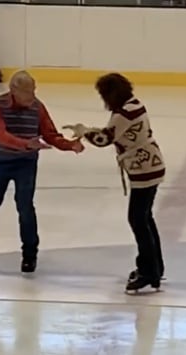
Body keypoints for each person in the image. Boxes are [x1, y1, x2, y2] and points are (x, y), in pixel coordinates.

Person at [0, 70, 84, 273]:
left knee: (26, 208)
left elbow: (50, 134)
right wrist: (26, 144)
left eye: (33, 91)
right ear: (13, 90)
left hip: (26, 165)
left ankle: (30, 254)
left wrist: (69, 145)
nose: (32, 96)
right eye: (27, 92)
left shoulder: (37, 107)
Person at [63, 73, 165, 293]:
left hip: (144, 168)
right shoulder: (134, 105)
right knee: (145, 217)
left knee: (138, 219)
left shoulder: (123, 114)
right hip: (151, 164)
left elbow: (105, 139)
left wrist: (83, 131)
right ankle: (155, 268)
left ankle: (148, 271)